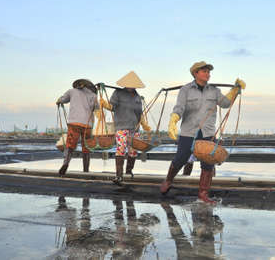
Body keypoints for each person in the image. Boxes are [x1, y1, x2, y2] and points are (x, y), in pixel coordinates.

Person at [160, 61, 245, 204]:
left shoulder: (214, 91)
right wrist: (173, 120)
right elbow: (179, 108)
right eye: (204, 71)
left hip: (207, 132)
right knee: (180, 159)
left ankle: (203, 193)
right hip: (189, 131)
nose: (208, 74)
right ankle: (168, 180)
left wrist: (235, 90)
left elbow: (225, 104)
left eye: (208, 72)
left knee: (208, 163)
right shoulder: (186, 90)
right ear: (195, 73)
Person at [100, 71, 151, 184]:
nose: (131, 86)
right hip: (122, 126)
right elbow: (112, 107)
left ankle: (129, 171)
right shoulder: (118, 93)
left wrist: (144, 125)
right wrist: (105, 104)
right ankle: (119, 175)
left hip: (134, 128)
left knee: (133, 151)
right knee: (121, 149)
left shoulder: (137, 97)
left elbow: (140, 113)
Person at [56, 79, 99, 175]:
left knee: (70, 144)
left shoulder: (71, 91)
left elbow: (63, 100)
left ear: (78, 85)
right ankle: (86, 170)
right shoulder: (93, 95)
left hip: (74, 123)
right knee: (86, 147)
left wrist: (58, 101)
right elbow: (96, 108)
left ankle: (65, 164)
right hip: (87, 124)